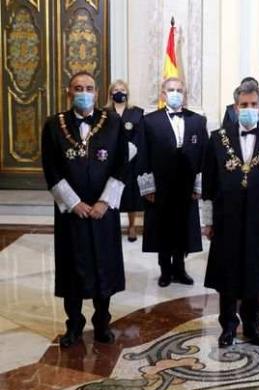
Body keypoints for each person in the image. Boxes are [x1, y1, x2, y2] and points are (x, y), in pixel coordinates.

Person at [41, 71, 128, 347]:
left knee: (104, 265)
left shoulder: (112, 123)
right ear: (69, 92)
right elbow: (51, 168)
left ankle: (102, 322)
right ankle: (74, 325)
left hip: (104, 211)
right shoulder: (54, 125)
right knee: (73, 268)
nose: (84, 92)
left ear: (97, 92)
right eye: (78, 88)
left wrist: (104, 202)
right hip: (72, 213)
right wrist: (74, 203)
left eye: (89, 88)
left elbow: (122, 164)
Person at [201, 81, 259, 348]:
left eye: (253, 105)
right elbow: (209, 182)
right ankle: (227, 326)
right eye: (243, 105)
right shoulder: (218, 138)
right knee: (228, 273)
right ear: (235, 108)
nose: (249, 110)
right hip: (227, 218)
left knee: (256, 272)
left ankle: (252, 326)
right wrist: (208, 221)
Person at [138, 77, 208, 287]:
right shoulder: (150, 121)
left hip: (186, 185)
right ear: (163, 93)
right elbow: (143, 154)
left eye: (179, 90)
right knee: (162, 228)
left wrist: (199, 185)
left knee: (183, 227)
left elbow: (204, 154)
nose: (175, 93)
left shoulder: (197, 120)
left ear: (185, 94)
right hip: (160, 185)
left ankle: (180, 267)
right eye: (171, 89)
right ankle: (165, 270)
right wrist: (147, 186)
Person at [106, 79, 145, 242]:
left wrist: (129, 151)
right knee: (111, 193)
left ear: (127, 92)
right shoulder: (104, 112)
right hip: (110, 161)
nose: (119, 92)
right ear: (110, 93)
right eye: (115, 89)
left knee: (130, 195)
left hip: (131, 160)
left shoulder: (136, 112)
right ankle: (112, 226)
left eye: (122, 89)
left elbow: (141, 135)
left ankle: (131, 226)